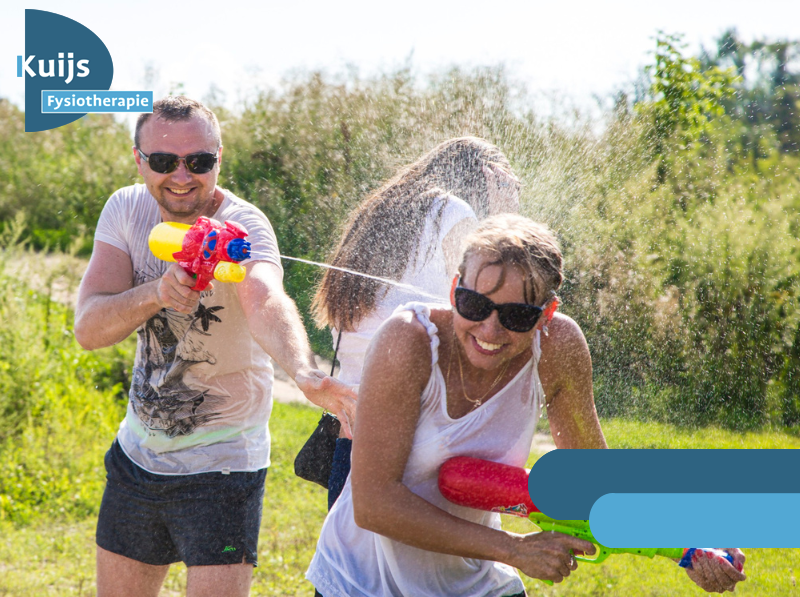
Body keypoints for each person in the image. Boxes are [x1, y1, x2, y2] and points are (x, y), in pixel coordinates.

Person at [306, 214, 746, 596]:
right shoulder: (410, 341)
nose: (490, 330)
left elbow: (594, 479)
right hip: (364, 582)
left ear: (547, 313)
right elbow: (375, 503)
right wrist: (513, 550)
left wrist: (690, 542)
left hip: (476, 583)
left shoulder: (559, 348)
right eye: (474, 304)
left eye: (517, 316)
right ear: (455, 287)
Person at [73, 96, 356, 597]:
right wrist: (155, 293)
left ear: (219, 159)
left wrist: (305, 371)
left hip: (224, 468)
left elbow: (266, 299)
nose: (181, 176)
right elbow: (89, 329)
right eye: (163, 161)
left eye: (199, 161)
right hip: (137, 458)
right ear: (138, 159)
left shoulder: (247, 226)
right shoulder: (124, 209)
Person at [311, 137, 521, 507]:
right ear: (487, 178)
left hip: (352, 434)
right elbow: (487, 302)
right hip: (411, 438)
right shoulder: (453, 211)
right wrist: (506, 218)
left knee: (352, 562)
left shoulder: (382, 211)